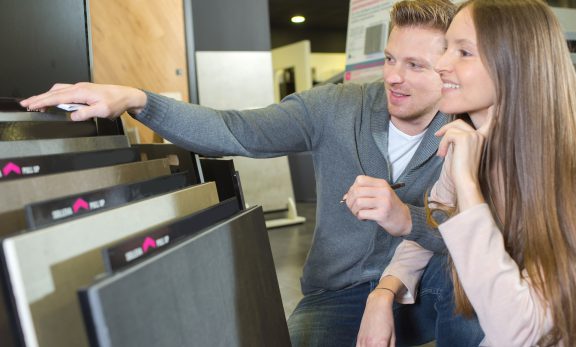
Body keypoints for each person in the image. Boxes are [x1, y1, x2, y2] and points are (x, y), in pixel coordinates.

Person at [21, 1, 481, 345]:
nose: (394, 77)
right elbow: (235, 130)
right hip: (337, 294)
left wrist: (405, 223)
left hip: (425, 293)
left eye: (415, 65)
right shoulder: (334, 107)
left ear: (447, 66)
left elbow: (482, 235)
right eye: (388, 59)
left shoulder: (468, 130)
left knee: (459, 266)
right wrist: (139, 100)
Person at [357, 0, 576, 346]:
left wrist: (469, 185)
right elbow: (435, 223)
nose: (441, 65)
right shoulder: (467, 143)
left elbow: (517, 329)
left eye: (464, 52)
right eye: (446, 51)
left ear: (515, 64)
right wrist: (383, 292)